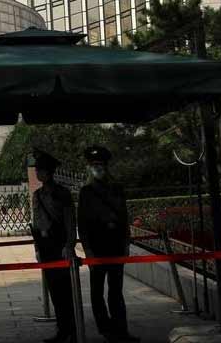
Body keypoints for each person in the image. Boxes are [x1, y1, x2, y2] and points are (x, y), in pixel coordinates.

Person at [78, 145, 140, 343]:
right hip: (97, 247)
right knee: (97, 292)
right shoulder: (86, 192)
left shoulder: (117, 189)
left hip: (115, 245)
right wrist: (87, 249)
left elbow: (124, 217)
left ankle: (121, 329)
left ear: (106, 166)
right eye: (94, 165)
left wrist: (126, 243)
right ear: (89, 167)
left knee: (116, 291)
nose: (97, 168)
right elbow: (83, 223)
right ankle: (105, 329)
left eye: (100, 164)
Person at [31, 148, 77, 343]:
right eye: (37, 169)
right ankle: (62, 329)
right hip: (45, 245)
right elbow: (36, 221)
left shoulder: (62, 193)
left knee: (66, 290)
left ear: (48, 172)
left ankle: (73, 330)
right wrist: (37, 248)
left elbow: (69, 221)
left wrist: (69, 245)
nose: (37, 173)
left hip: (60, 245)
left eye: (40, 170)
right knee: (54, 291)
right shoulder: (37, 195)